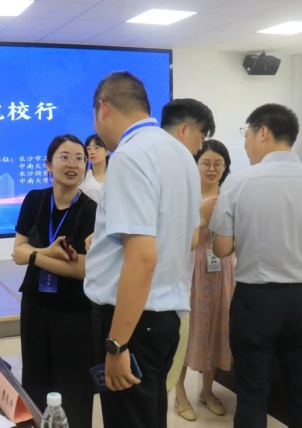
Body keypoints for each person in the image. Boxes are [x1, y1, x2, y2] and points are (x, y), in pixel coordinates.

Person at [84, 71, 201, 428]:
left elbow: (143, 257)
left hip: (132, 321)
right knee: (149, 416)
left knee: (130, 420)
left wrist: (117, 344)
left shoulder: (130, 155)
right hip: (163, 319)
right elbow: (182, 237)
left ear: (104, 108)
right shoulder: (180, 153)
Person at [210, 103, 302, 428]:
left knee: (252, 395)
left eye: (247, 134)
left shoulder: (238, 183)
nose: (246, 144)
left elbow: (221, 249)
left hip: (256, 302)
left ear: (263, 132)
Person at [12, 134, 97, 427]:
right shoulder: (34, 200)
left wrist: (35, 255)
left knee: (73, 387)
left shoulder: (90, 210)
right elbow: (16, 251)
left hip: (75, 312)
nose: (72, 164)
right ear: (48, 164)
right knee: (35, 380)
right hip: (35, 306)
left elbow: (82, 269)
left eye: (79, 158)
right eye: (64, 157)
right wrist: (50, 253)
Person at [158, 98, 217, 404]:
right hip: (165, 295)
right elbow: (189, 240)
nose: (199, 147)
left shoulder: (153, 163)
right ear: (183, 130)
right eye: (200, 137)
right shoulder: (181, 172)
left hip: (164, 292)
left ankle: (198, 392)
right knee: (160, 382)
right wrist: (202, 218)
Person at [173, 139, 235, 421]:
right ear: (195, 165)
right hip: (191, 270)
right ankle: (179, 392)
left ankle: (207, 391)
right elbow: (175, 237)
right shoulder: (185, 195)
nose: (212, 169)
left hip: (222, 270)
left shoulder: (230, 195)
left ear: (225, 167)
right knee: (188, 332)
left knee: (217, 330)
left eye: (218, 164)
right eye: (206, 163)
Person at [79, 134, 109, 203]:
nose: (92, 152)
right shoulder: (81, 178)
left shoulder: (115, 176)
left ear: (106, 151)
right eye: (88, 149)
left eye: (97, 148)